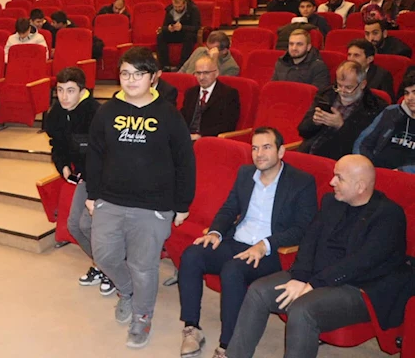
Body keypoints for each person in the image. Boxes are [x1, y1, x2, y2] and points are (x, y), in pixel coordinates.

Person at [228, 154, 408, 358]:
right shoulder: (332, 202)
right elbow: (309, 241)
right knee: (258, 291)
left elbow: (360, 263)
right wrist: (300, 277)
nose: (332, 182)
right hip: (317, 275)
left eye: (339, 178)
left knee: (303, 309)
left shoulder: (388, 216)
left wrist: (313, 284)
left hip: (358, 287)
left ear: (360, 187)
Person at [87, 46, 195, 349]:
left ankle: (142, 316)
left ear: (153, 78)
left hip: (154, 205)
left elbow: (185, 161)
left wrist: (183, 204)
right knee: (104, 255)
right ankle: (127, 291)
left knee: (143, 266)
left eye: (138, 74)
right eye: (125, 73)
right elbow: (94, 155)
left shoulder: (169, 115)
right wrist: (92, 194)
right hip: (110, 199)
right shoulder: (106, 111)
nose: (131, 80)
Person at [178, 127, 317, 358]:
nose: (259, 154)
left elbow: (303, 228)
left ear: (281, 151)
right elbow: (230, 208)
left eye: (266, 147)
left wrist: (265, 245)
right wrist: (215, 233)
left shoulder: (301, 181)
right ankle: (192, 328)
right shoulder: (246, 173)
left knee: (233, 270)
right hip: (238, 241)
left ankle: (228, 346)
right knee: (193, 254)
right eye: (254, 148)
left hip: (271, 252)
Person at [43, 67, 107, 293]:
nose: (64, 96)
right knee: (74, 226)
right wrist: (63, 167)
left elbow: (104, 155)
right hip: (83, 176)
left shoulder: (96, 113)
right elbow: (57, 145)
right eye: (60, 90)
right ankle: (103, 266)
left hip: (104, 178)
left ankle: (112, 268)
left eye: (70, 91)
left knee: (89, 225)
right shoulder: (56, 114)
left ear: (82, 91)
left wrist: (89, 181)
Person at [298, 61, 387, 160]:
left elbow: (365, 146)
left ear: (362, 84)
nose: (342, 91)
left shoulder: (374, 106)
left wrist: (341, 126)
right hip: (310, 151)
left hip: (343, 159)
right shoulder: (326, 95)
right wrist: (314, 122)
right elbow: (302, 130)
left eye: (349, 87)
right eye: (339, 85)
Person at [355, 70, 415, 171]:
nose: (410, 98)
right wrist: (365, 164)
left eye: (414, 92)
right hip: (374, 170)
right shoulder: (391, 112)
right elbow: (363, 142)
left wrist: (401, 172)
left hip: (406, 177)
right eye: (406, 93)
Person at [180, 55, 240, 140]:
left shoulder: (228, 94)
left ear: (216, 73)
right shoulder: (191, 92)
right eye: (198, 73)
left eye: (206, 73)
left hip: (211, 139)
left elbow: (228, 125)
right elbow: (182, 118)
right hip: (187, 138)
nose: (201, 77)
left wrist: (201, 136)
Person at [157, 0, 201, 70]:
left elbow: (196, 27)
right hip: (174, 33)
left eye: (180, 7)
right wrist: (168, 28)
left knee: (189, 36)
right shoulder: (169, 10)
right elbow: (164, 26)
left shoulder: (193, 9)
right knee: (161, 36)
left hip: (187, 33)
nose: (177, 9)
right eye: (175, 7)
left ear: (184, 3)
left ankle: (182, 65)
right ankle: (164, 65)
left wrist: (182, 27)